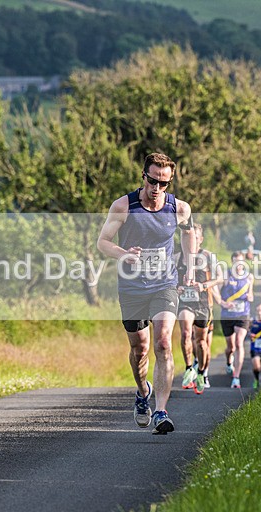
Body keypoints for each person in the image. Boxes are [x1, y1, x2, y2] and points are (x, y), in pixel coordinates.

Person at [97, 152, 197, 435]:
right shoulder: (124, 206)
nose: (157, 188)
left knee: (164, 342)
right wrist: (123, 254)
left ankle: (162, 411)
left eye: (164, 183)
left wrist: (189, 266)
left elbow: (189, 233)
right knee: (139, 349)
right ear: (144, 177)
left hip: (164, 284)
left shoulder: (179, 208)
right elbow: (102, 242)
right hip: (131, 288)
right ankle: (143, 393)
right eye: (153, 181)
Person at [175, 224, 222, 395]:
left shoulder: (208, 256)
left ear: (200, 239)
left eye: (195, 237)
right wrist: (177, 287)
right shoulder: (177, 257)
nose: (192, 240)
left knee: (201, 342)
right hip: (185, 303)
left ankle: (201, 372)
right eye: (189, 236)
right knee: (186, 333)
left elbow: (220, 278)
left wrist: (204, 285)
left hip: (203, 303)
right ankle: (189, 368)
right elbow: (169, 279)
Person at [216, 250, 254, 389]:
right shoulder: (226, 275)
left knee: (239, 343)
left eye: (241, 261)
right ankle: (228, 361)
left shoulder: (249, 277)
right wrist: (222, 303)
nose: (239, 264)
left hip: (243, 314)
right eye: (236, 261)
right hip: (227, 315)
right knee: (230, 347)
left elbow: (251, 294)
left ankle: (236, 378)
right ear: (232, 262)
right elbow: (215, 292)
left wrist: (250, 296)